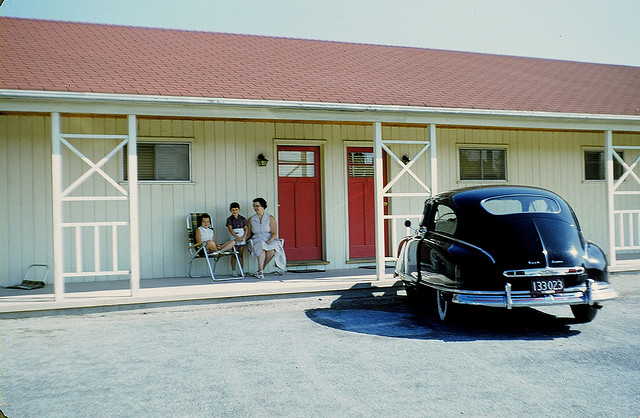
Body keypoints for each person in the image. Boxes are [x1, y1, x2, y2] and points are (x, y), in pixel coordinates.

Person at [246, 197, 286, 279]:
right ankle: (260, 271)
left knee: (271, 250)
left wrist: (270, 240)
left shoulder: (270, 218)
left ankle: (260, 270)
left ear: (263, 206)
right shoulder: (251, 219)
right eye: (254, 206)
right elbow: (249, 234)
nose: (255, 208)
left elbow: (274, 233)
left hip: (269, 238)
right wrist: (241, 239)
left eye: (257, 206)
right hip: (257, 239)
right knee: (261, 245)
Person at [225, 202, 248, 277]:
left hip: (242, 237)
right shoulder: (229, 219)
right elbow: (230, 229)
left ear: (239, 210)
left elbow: (246, 228)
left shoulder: (243, 219)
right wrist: (237, 238)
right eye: (233, 210)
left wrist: (243, 237)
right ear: (230, 210)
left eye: (236, 209)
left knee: (241, 254)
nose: (235, 211)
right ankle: (234, 270)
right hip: (234, 237)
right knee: (234, 254)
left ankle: (241, 270)